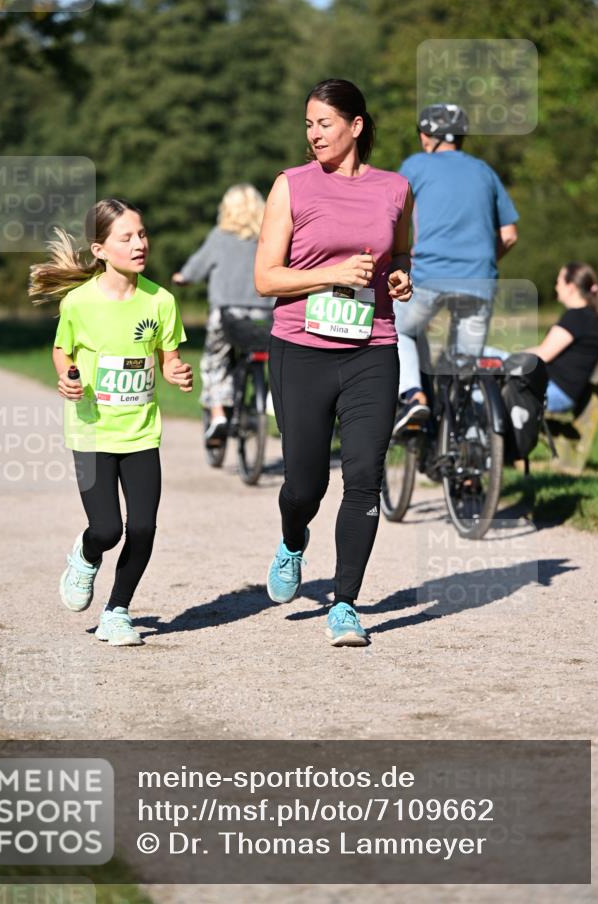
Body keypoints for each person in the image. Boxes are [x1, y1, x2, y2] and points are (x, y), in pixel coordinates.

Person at [255, 78, 414, 648]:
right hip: (300, 348)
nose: (313, 133)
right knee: (305, 483)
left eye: (324, 123)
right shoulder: (291, 186)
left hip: (373, 346)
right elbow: (266, 276)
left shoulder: (396, 188)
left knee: (365, 478)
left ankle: (345, 602)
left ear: (356, 126)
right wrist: (330, 274)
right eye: (308, 124)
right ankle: (292, 541)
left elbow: (400, 253)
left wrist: (399, 276)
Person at [28, 198, 193, 646]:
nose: (140, 244)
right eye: (127, 238)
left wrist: (176, 371)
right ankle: (85, 555)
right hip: (92, 432)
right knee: (107, 529)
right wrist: (66, 377)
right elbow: (63, 350)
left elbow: (169, 358)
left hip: (140, 432)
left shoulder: (161, 300)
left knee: (142, 528)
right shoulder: (79, 303)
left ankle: (117, 610)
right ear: (100, 250)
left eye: (142, 234)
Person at [393, 104, 519, 433]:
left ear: (426, 137)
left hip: (428, 278)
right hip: (479, 281)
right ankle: (471, 448)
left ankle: (414, 396)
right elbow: (509, 235)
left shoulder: (416, 166)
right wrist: (482, 263)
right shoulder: (484, 171)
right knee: (464, 370)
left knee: (399, 327)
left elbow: (392, 219)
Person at [173, 184, 272, 444]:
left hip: (227, 314)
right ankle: (262, 403)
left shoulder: (220, 236)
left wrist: (182, 278)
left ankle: (218, 416)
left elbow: (194, 269)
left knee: (215, 361)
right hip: (266, 314)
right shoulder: (268, 237)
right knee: (262, 355)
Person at [525, 262, 598, 412]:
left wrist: (508, 358)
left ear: (570, 287)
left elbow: (543, 354)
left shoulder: (577, 317)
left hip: (553, 392)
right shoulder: (591, 317)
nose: (556, 286)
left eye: (559, 282)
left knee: (485, 376)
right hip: (560, 392)